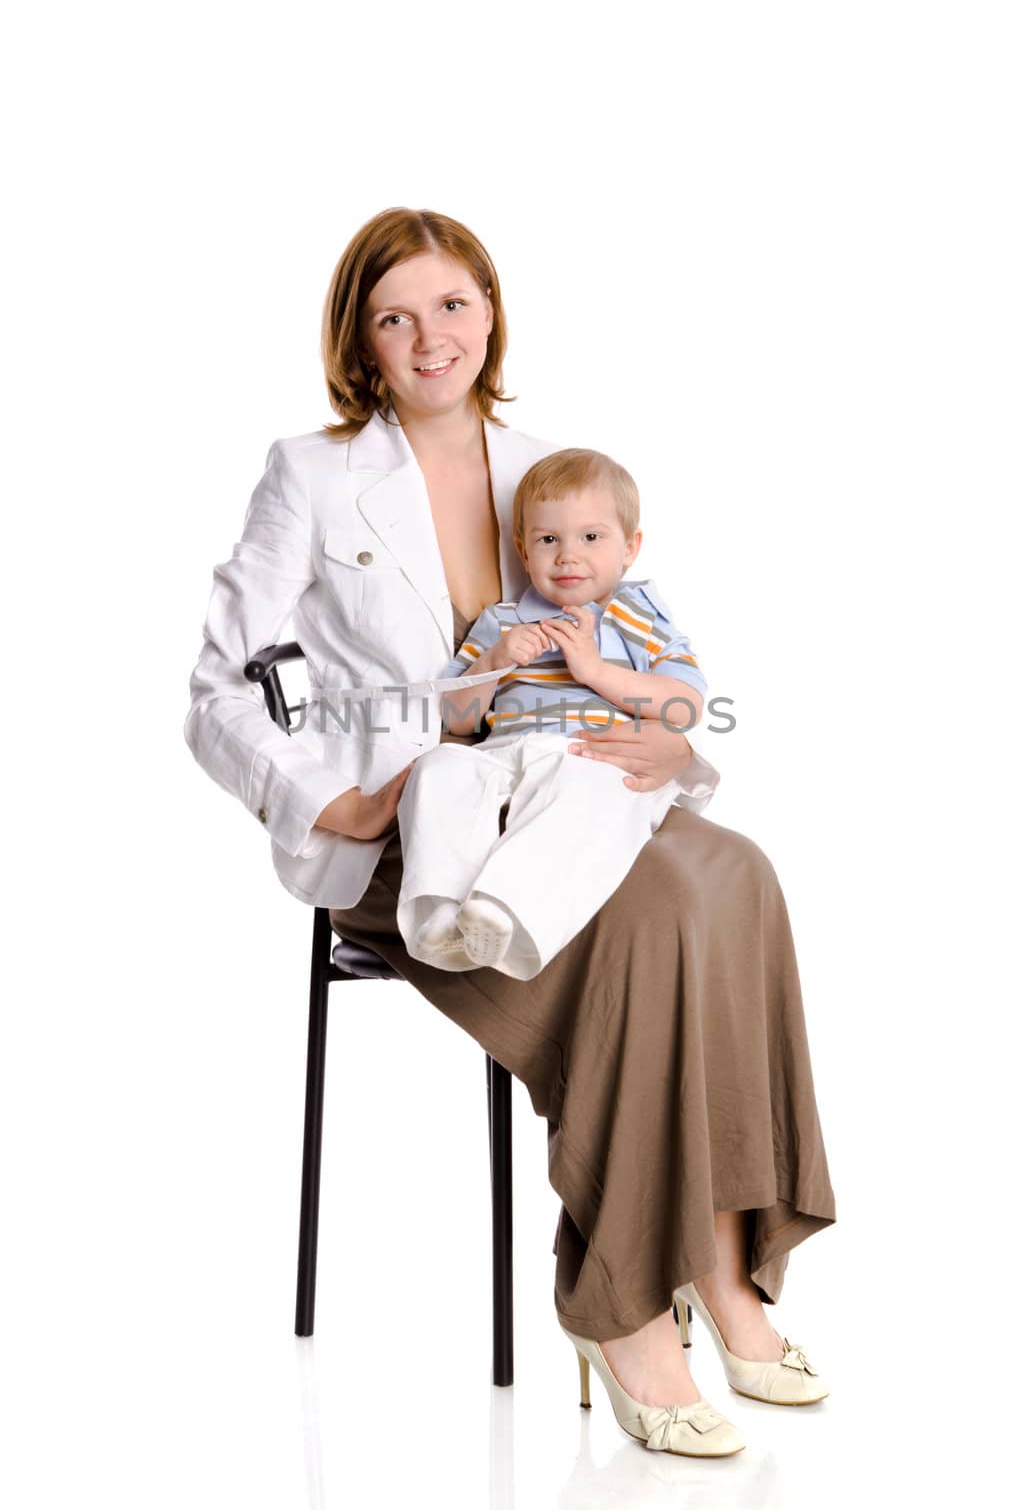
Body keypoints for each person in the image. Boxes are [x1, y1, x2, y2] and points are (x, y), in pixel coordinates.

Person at [184, 206, 837, 1459]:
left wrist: (671, 745)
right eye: (395, 316)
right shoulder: (309, 473)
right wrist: (335, 799)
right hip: (418, 845)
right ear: (360, 343)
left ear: (489, 311)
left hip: (568, 796)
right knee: (647, 917)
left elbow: (633, 636)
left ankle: (716, 1249)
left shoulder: (548, 463)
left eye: (451, 304)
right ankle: (624, 1304)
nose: (430, 336)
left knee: (734, 873)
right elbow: (214, 689)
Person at [394, 447, 715, 980]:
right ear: (524, 549)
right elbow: (457, 719)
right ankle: (439, 915)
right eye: (549, 540)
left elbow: (684, 705)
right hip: (505, 751)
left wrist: (595, 672)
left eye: (591, 537)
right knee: (439, 770)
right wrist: (496, 662)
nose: (568, 556)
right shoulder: (503, 620)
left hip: (594, 757)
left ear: (630, 547)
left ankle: (502, 911)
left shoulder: (639, 619)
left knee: (582, 793)